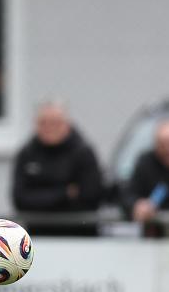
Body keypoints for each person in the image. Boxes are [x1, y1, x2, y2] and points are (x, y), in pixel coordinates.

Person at [11, 100, 102, 236]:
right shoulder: (27, 154)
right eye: (43, 123)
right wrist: (65, 194)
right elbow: (20, 199)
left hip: (80, 237)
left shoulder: (83, 153)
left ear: (67, 124)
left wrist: (41, 198)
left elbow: (91, 198)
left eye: (55, 123)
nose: (49, 128)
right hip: (38, 236)